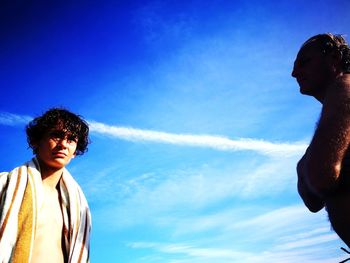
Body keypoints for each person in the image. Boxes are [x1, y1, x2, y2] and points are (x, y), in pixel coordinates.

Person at [0, 108, 91, 262]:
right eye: (56, 135)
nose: (63, 144)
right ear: (36, 141)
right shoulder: (5, 185)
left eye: (71, 139)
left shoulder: (79, 207)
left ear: (75, 151)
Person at [292, 33, 350, 248]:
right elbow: (313, 203)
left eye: (304, 62)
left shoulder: (345, 85)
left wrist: (305, 167)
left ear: (334, 58)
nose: (294, 73)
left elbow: (320, 176)